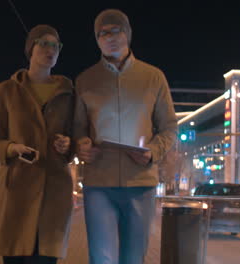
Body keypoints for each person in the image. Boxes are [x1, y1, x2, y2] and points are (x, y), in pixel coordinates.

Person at [74, 9, 178, 264]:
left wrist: (153, 150)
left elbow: (169, 127)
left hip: (140, 184)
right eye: (102, 33)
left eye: (115, 30)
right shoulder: (86, 80)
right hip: (99, 184)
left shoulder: (153, 77)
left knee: (133, 258)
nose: (109, 37)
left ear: (128, 34)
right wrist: (82, 144)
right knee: (102, 258)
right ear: (97, 40)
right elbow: (78, 128)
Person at [0, 25, 75, 264]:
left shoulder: (68, 94)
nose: (50, 50)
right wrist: (12, 148)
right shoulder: (6, 91)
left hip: (54, 195)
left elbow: (77, 138)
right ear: (30, 49)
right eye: (44, 43)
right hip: (16, 196)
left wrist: (69, 145)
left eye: (56, 45)